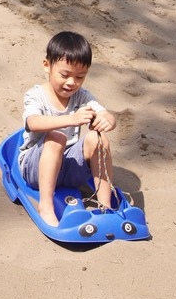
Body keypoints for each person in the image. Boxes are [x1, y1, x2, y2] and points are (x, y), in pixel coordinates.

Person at [18, 31, 117, 227]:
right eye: (65, 75)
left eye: (80, 77)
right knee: (56, 137)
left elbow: (105, 114)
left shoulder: (81, 96)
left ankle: (105, 207)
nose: (72, 82)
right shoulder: (36, 95)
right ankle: (46, 206)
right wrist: (70, 119)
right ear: (47, 66)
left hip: (68, 168)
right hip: (36, 168)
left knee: (99, 138)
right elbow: (33, 122)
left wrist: (107, 121)